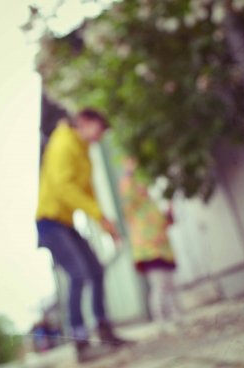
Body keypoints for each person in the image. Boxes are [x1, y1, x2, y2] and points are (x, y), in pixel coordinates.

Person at [35, 108, 131, 363]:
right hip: (49, 222)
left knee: (96, 270)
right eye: (98, 130)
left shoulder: (84, 150)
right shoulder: (62, 142)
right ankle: (79, 341)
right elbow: (63, 187)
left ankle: (104, 328)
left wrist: (104, 223)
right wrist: (97, 214)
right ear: (85, 122)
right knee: (78, 274)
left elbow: (88, 191)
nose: (99, 138)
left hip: (65, 223)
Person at [119, 157, 182, 332]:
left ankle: (176, 316)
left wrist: (169, 214)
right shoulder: (133, 207)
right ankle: (160, 321)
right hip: (149, 251)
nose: (142, 186)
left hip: (163, 250)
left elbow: (165, 223)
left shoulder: (151, 204)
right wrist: (129, 173)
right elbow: (127, 191)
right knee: (159, 286)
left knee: (170, 284)